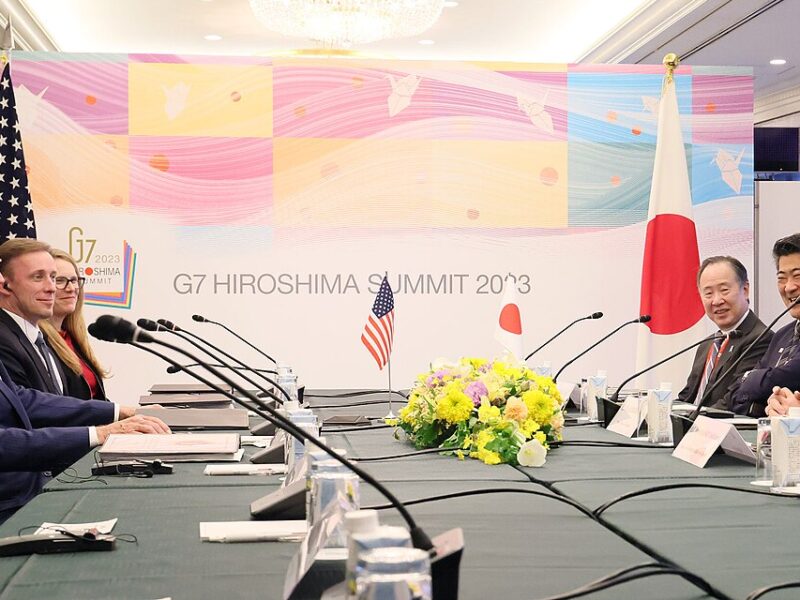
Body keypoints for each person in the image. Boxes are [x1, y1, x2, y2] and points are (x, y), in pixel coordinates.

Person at [677, 256, 772, 411]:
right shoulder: (709, 343)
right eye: (708, 293)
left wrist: (692, 422)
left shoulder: (761, 339)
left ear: (745, 289)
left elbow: (735, 400)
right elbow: (688, 396)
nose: (716, 300)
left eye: (724, 290)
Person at [731, 234, 800, 416]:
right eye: (782, 278)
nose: (789, 287)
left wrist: (752, 382)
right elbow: (735, 395)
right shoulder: (781, 335)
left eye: (797, 276)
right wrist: (768, 404)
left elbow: (789, 375)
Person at [40, 249, 107, 400]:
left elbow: (96, 400)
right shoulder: (37, 341)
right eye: (60, 281)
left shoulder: (72, 337)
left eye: (74, 280)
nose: (71, 288)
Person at [0, 239, 66, 394]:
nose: (51, 288)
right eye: (38, 277)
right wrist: (115, 411)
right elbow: (25, 406)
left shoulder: (41, 339)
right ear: (4, 285)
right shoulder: (3, 339)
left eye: (53, 277)